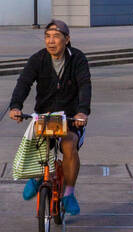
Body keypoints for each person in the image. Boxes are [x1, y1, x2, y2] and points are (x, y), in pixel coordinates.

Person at [8, 19, 90, 216]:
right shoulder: (38, 59)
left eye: (56, 36)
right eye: (47, 36)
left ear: (67, 39)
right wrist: (16, 106)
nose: (51, 41)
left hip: (70, 118)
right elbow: (24, 83)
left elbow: (85, 85)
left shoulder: (77, 58)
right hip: (44, 116)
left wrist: (82, 112)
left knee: (69, 145)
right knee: (35, 143)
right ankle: (37, 178)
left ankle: (69, 193)